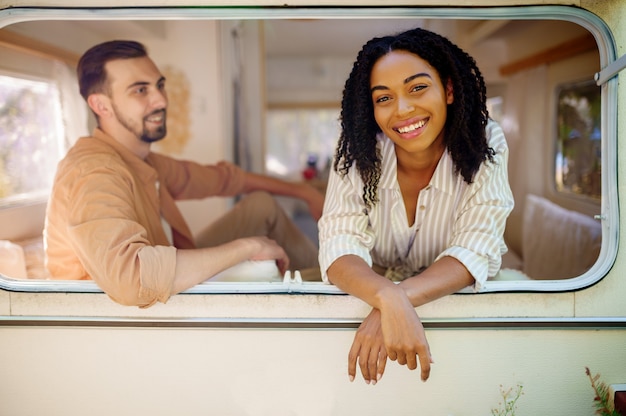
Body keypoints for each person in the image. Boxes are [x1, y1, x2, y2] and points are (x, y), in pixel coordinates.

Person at [44, 40, 323, 308]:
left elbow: (227, 179)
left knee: (261, 205)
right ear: (101, 106)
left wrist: (303, 191)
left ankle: (327, 280)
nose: (161, 100)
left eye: (159, 85)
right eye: (140, 90)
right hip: (127, 316)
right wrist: (248, 247)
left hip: (162, 278)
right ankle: (331, 294)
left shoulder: (143, 161)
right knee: (259, 259)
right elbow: (132, 279)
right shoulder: (93, 170)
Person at [318, 28, 514, 384]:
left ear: (449, 90)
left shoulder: (485, 142)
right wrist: (385, 297)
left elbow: (474, 249)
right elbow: (338, 244)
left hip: (462, 311)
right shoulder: (359, 152)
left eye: (418, 88)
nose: (403, 109)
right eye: (383, 98)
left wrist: (392, 302)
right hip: (373, 291)